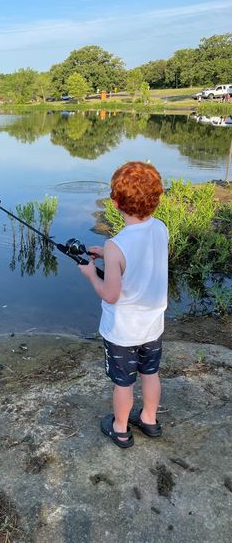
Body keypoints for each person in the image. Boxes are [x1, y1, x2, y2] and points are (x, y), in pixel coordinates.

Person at [79, 161, 168, 448]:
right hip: (152, 327)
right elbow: (140, 259)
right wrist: (107, 255)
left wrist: (92, 273)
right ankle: (150, 420)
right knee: (150, 374)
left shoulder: (116, 245)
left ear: (115, 203)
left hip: (122, 333)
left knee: (124, 382)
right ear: (156, 200)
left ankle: (119, 428)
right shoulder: (161, 229)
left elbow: (111, 295)